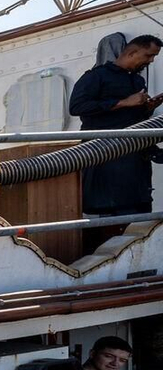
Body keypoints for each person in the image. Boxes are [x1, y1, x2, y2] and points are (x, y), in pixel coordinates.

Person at [69, 34, 163, 248]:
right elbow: (77, 107)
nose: (151, 61)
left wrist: (146, 107)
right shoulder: (96, 77)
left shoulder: (137, 80)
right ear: (131, 52)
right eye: (148, 55)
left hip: (135, 161)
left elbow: (132, 117)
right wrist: (124, 102)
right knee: (111, 215)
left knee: (139, 214)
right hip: (106, 158)